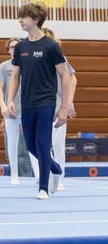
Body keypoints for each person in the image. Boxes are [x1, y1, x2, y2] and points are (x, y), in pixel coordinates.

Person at [7, 2, 70, 199]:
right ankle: (56, 168)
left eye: (23, 17)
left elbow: (65, 75)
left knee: (43, 144)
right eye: (19, 16)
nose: (20, 20)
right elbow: (16, 75)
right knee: (31, 146)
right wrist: (10, 100)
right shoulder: (21, 47)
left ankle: (43, 188)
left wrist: (64, 107)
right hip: (27, 103)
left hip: (46, 101)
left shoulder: (51, 46)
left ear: (35, 20)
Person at [27, 29, 77, 192]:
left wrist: (68, 101)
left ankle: (59, 177)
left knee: (57, 143)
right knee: (36, 144)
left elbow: (72, 77)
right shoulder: (31, 55)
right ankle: (42, 175)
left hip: (57, 105)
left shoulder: (59, 56)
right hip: (38, 104)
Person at [0, 38, 22, 184]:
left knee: (32, 142)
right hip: (11, 109)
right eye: (12, 47)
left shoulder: (28, 64)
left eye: (17, 46)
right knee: (12, 142)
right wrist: (2, 106)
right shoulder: (4, 66)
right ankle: (14, 175)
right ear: (8, 50)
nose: (14, 49)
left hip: (28, 107)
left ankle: (38, 173)